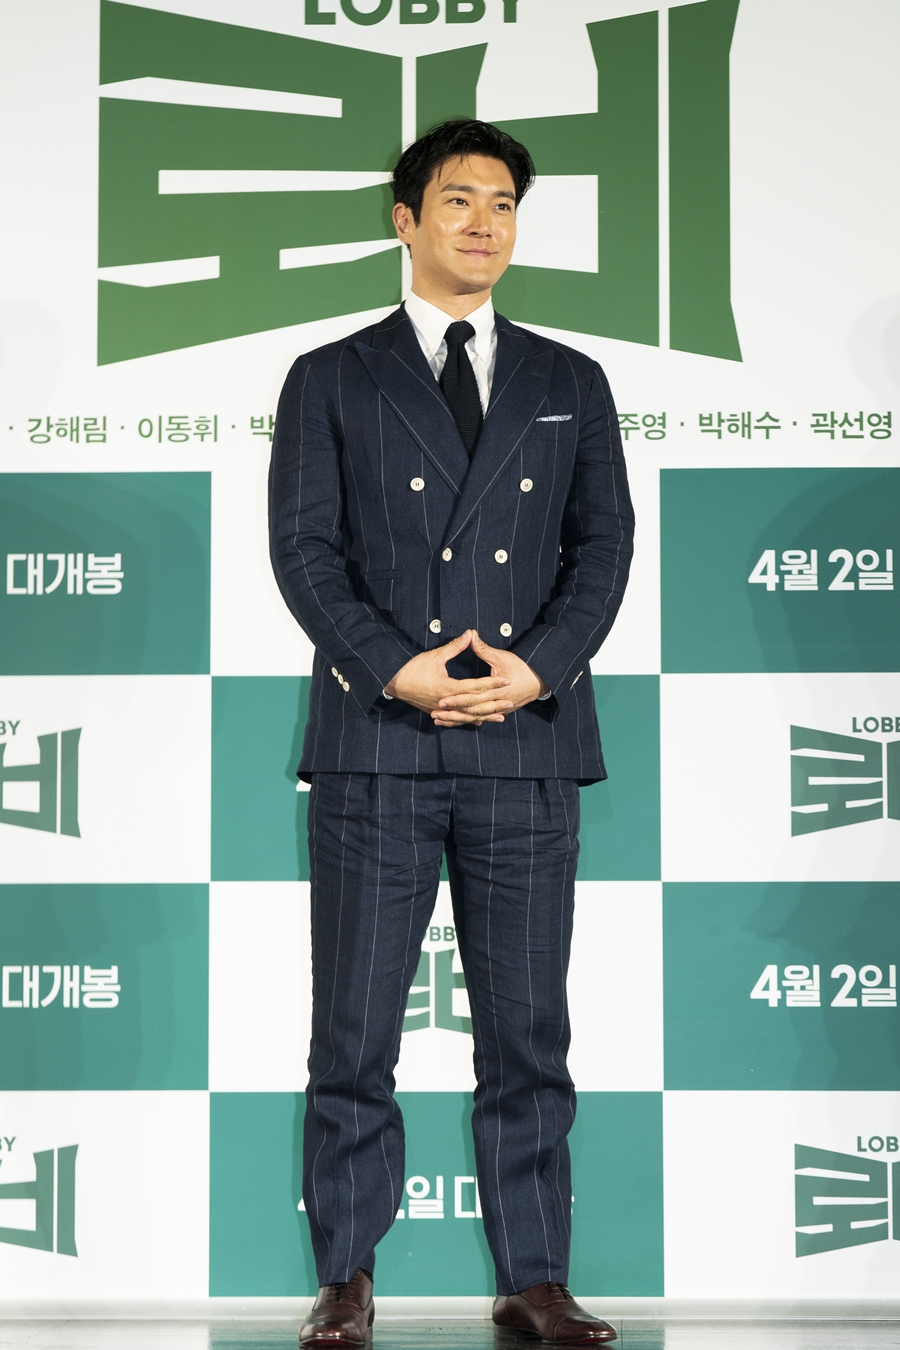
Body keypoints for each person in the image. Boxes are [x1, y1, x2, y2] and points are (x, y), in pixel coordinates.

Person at [269, 118, 633, 1346]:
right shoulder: (330, 375)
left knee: (527, 1030)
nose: (485, 223)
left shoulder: (570, 381)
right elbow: (304, 551)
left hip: (526, 742)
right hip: (378, 739)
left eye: (504, 204)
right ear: (406, 220)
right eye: (459, 200)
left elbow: (604, 547)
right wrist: (397, 668)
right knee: (355, 1028)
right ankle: (346, 1275)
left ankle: (536, 1277)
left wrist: (535, 669)